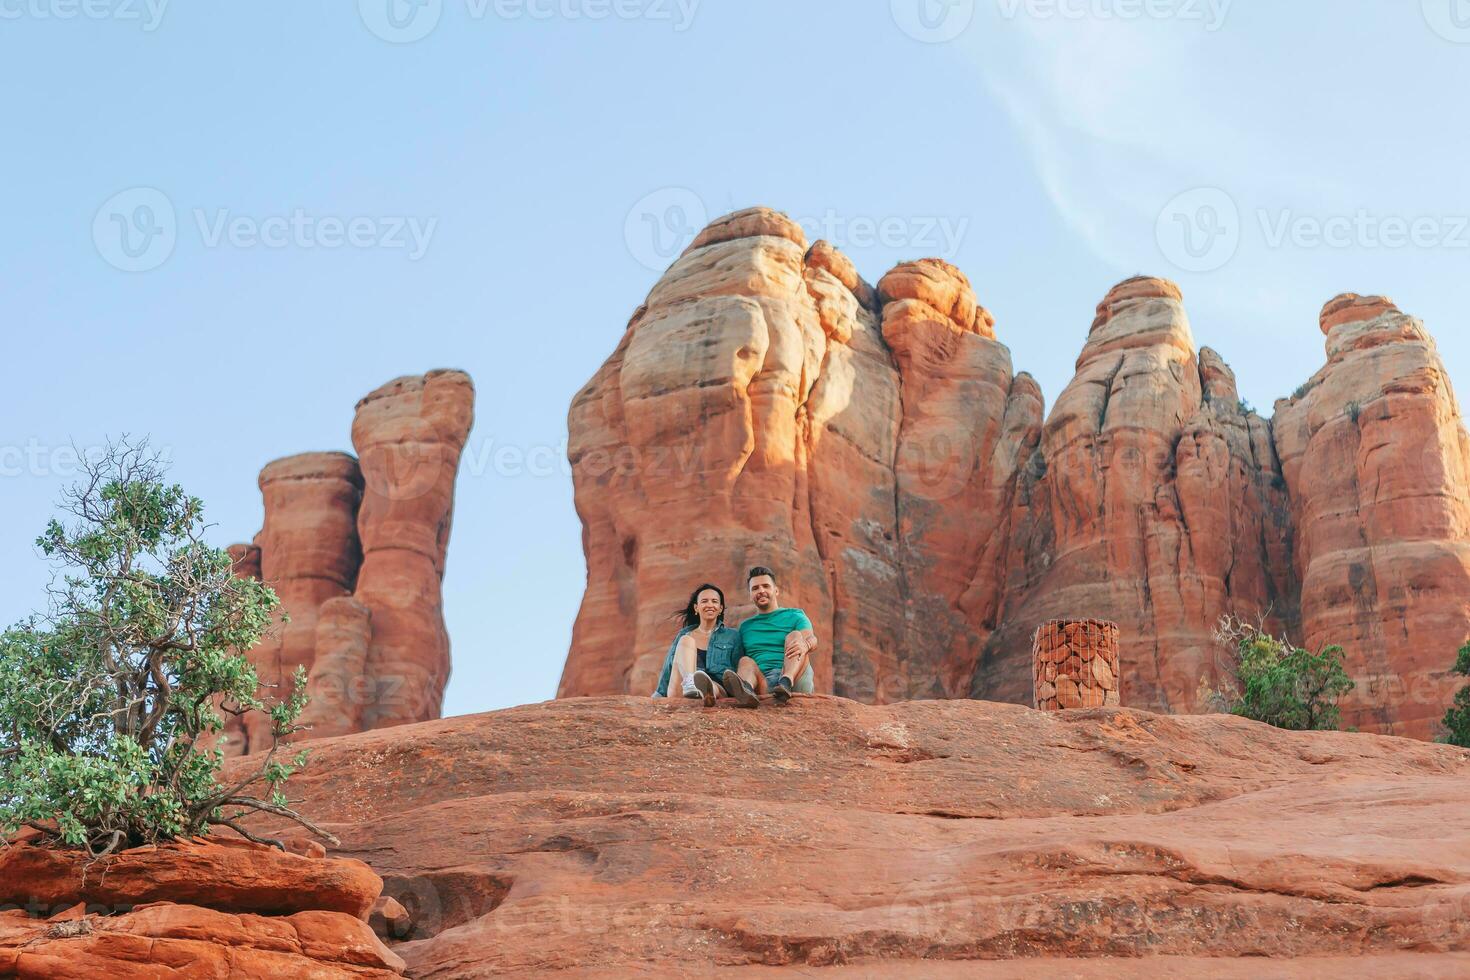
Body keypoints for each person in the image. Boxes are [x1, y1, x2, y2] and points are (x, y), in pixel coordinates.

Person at [721, 566, 818, 708]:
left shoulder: (795, 615)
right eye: (755, 588)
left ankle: (785, 683)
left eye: (766, 586)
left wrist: (806, 645)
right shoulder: (746, 627)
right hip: (764, 683)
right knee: (744, 660)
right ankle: (745, 690)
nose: (761, 591)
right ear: (750, 595)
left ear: (776, 590)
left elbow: (812, 639)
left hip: (794, 676)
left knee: (795, 636)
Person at [652, 583, 744, 706]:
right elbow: (669, 666)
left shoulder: (732, 636)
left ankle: (704, 689)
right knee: (686, 640)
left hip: (716, 689)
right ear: (696, 607)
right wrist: (657, 696)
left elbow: (736, 671)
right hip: (683, 690)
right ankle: (691, 683)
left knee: (710, 685)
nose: (710, 605)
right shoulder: (685, 634)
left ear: (720, 608)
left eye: (714, 601)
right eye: (704, 601)